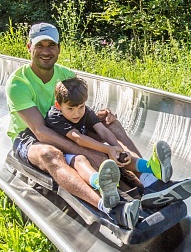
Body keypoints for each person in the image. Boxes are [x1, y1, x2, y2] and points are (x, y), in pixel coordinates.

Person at [5, 22, 191, 230]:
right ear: (29, 47)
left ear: (59, 48)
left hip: (67, 126)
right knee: (50, 154)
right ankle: (107, 207)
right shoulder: (19, 83)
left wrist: (101, 120)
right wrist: (91, 152)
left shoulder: (66, 75)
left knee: (109, 123)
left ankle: (150, 182)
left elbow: (79, 107)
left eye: (51, 45)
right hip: (30, 138)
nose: (46, 51)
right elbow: (40, 131)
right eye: (39, 46)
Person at [45, 77, 174, 199]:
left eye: (80, 107)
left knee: (119, 156)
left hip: (84, 145)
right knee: (80, 160)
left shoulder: (86, 111)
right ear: (58, 105)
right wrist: (107, 150)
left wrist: (117, 148)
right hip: (65, 153)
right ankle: (100, 184)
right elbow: (78, 138)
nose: (77, 113)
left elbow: (103, 131)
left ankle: (153, 167)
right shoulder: (54, 116)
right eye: (70, 109)